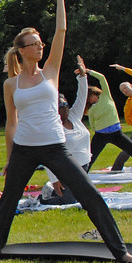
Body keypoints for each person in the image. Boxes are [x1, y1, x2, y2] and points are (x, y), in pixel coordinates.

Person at [0, 0, 132, 263]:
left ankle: (121, 253)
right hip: (23, 149)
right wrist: (9, 157)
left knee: (90, 195)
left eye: (40, 43)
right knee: (8, 201)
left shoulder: (50, 72)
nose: (40, 45)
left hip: (55, 147)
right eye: (34, 43)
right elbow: (11, 123)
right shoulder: (11, 84)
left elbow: (61, 32)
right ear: (21, 51)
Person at [39, 57, 91, 205]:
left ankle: (57, 191)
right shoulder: (52, 126)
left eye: (66, 105)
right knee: (70, 201)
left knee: (86, 197)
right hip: (66, 169)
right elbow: (48, 155)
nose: (65, 108)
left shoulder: (75, 117)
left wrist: (82, 76)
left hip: (84, 165)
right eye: (61, 106)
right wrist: (54, 180)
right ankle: (42, 199)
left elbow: (82, 96)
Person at [83, 65, 132, 178]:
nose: (89, 100)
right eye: (88, 99)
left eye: (89, 97)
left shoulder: (106, 96)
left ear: (94, 94)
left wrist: (88, 71)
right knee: (89, 158)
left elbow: (102, 78)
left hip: (116, 134)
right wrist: (98, 130)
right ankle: (80, 180)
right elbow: (92, 124)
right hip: (101, 135)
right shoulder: (91, 109)